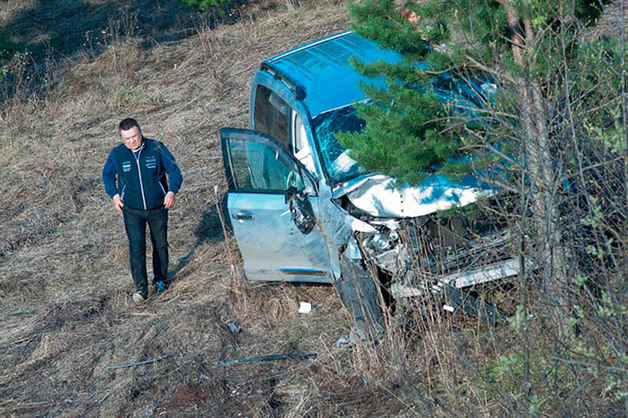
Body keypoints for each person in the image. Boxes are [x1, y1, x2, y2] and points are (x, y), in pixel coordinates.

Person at [102, 118, 183, 303]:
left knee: (160, 245)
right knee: (137, 247)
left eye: (135, 136)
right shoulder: (117, 154)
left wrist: (171, 191)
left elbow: (175, 171)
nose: (132, 141)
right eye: (127, 138)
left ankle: (160, 281)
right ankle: (141, 288)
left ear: (141, 133)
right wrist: (114, 195)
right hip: (132, 210)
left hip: (158, 207)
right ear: (122, 139)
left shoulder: (156, 148)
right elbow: (107, 175)